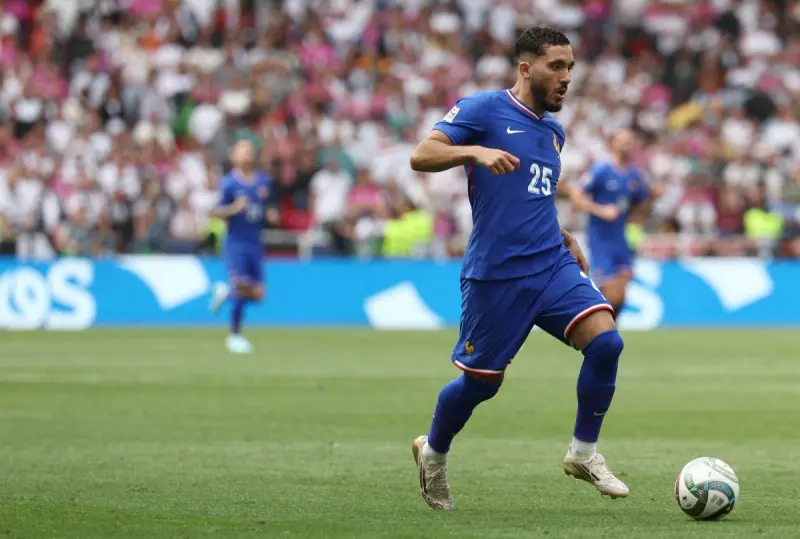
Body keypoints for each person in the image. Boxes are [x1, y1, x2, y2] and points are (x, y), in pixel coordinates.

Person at [408, 27, 628, 511]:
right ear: (526, 68)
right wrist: (474, 151)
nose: (566, 77)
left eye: (571, 67)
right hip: (497, 274)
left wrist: (563, 234)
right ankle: (434, 452)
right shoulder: (483, 109)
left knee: (607, 342)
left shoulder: (553, 133)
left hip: (550, 262)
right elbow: (421, 155)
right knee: (481, 385)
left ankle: (583, 453)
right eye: (557, 66)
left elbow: (531, 195)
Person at [567, 129, 659, 314]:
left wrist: (652, 198)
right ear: (612, 144)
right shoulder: (602, 170)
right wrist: (600, 210)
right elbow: (576, 194)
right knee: (610, 293)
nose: (626, 144)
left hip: (622, 239)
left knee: (621, 294)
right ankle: (592, 322)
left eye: (629, 141)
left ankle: (608, 328)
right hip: (601, 239)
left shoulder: (635, 175)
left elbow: (641, 208)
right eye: (622, 141)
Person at [209, 140, 278, 354]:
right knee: (242, 286)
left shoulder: (264, 181)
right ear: (234, 157)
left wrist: (271, 215)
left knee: (258, 294)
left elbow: (268, 206)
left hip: (255, 243)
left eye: (249, 151)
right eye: (242, 151)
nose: (246, 155)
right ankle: (235, 335)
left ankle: (225, 293)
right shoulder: (229, 183)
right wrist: (233, 209)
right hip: (236, 243)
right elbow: (215, 212)